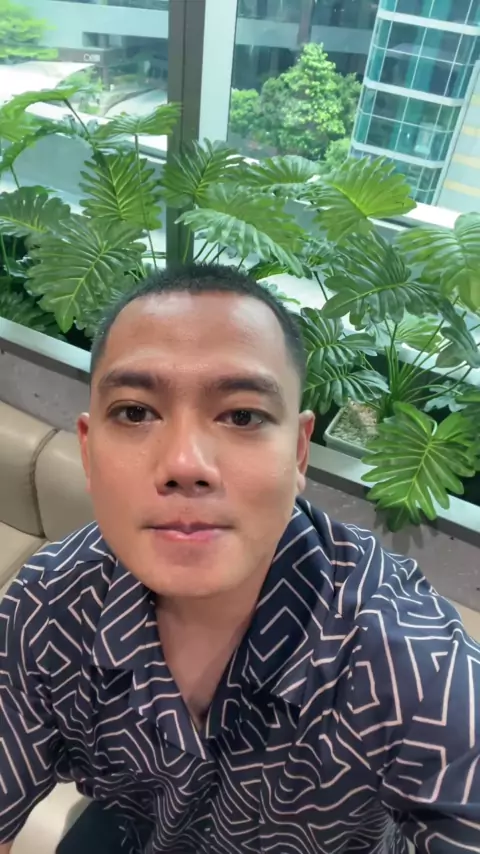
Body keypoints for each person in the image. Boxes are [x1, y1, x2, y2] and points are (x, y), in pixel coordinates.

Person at [0, 263, 478, 854]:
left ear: (298, 452)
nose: (185, 464)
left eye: (243, 416)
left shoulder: (411, 666)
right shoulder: (51, 604)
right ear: (88, 449)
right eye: (134, 412)